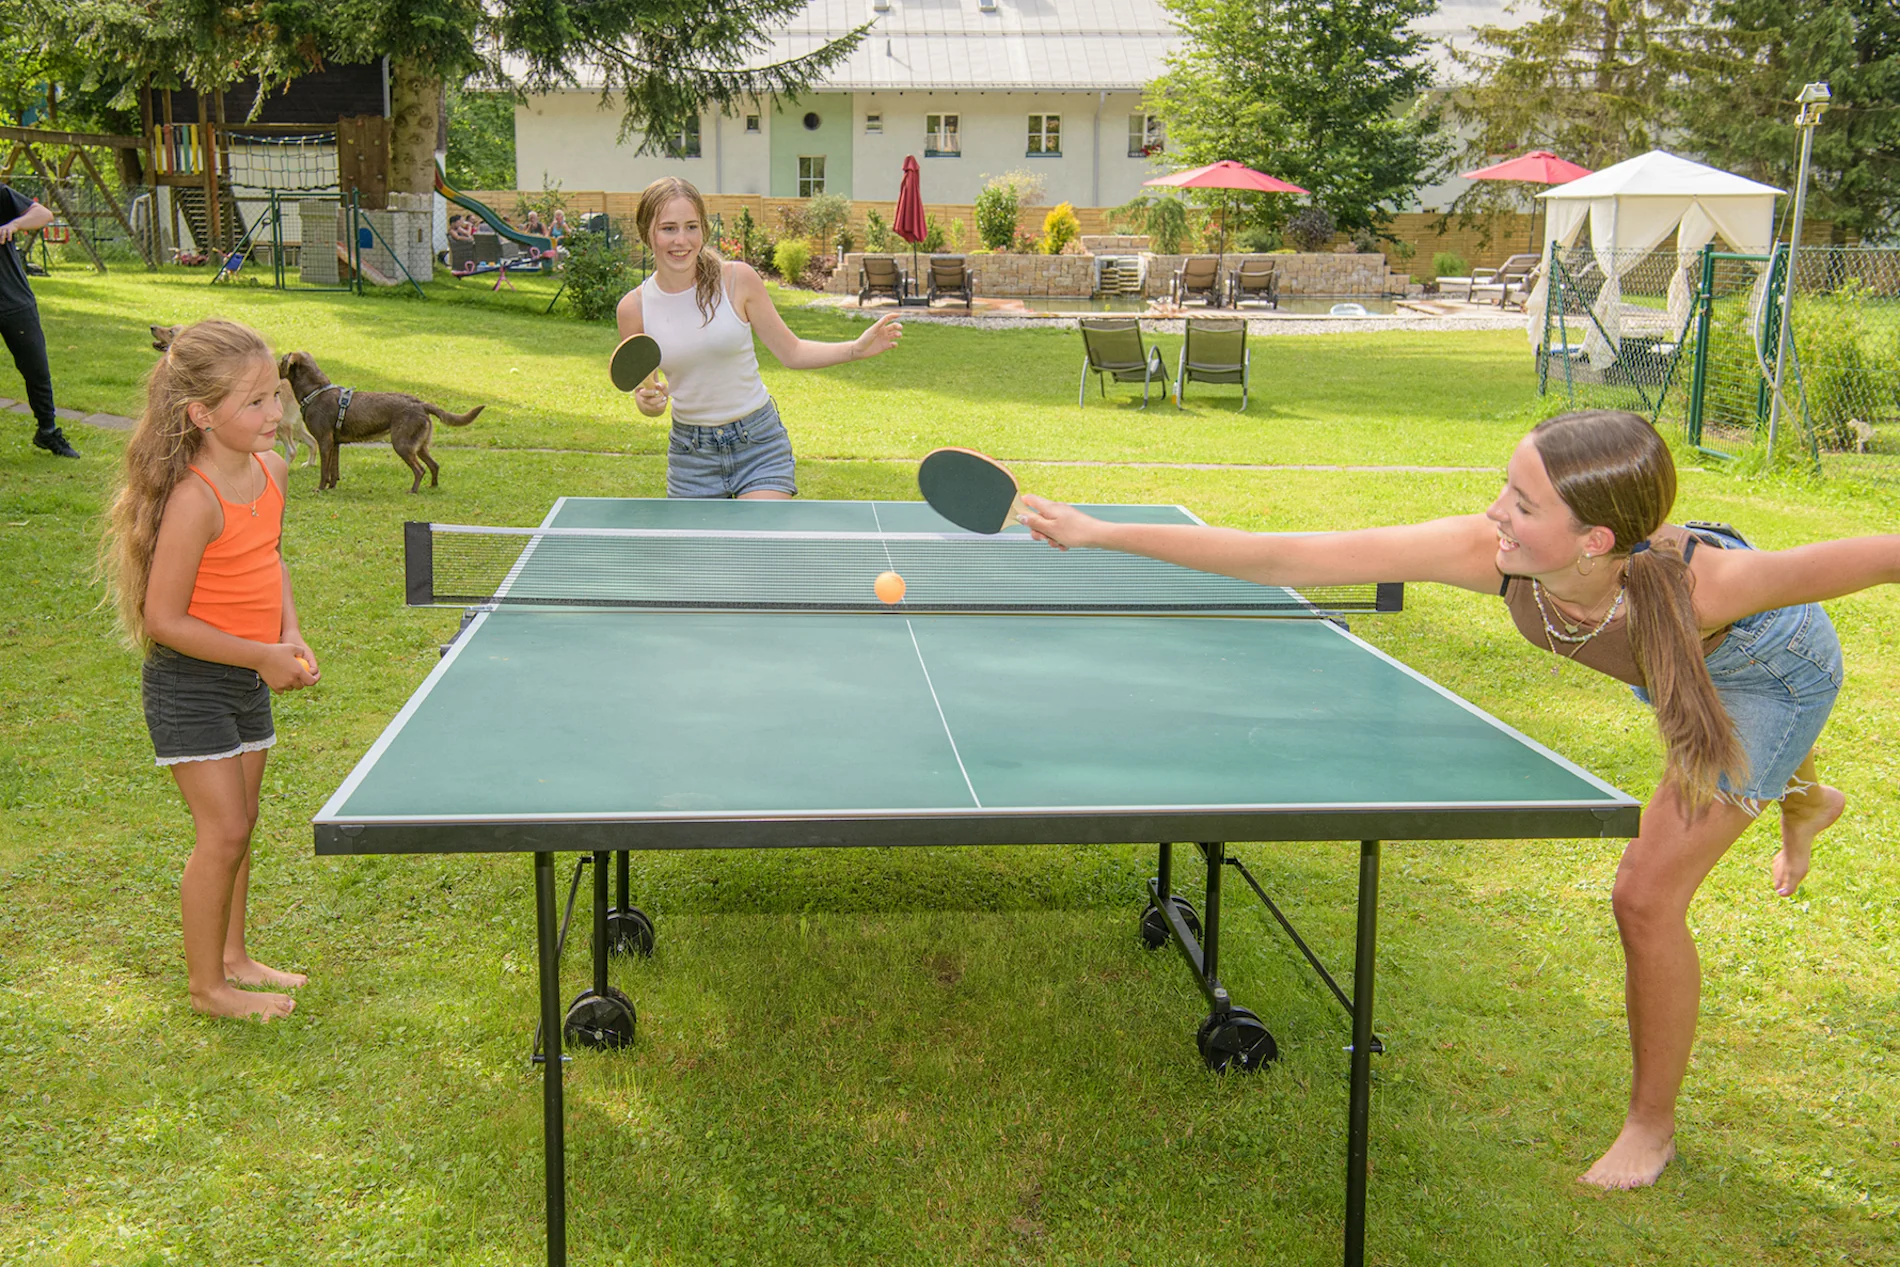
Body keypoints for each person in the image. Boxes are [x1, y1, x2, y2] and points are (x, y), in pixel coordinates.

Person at [1019, 409, 1899, 1190]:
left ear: (1593, 540)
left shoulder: (1718, 588)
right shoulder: (1499, 557)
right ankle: (1804, 798)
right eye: (1503, 490)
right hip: (1674, 662)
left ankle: (1650, 1125)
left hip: (1770, 669)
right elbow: (1291, 556)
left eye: (1521, 502)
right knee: (1693, 716)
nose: (1494, 514)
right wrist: (1101, 532)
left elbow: (1876, 557)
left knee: (1644, 895)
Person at [98, 318, 321, 1022]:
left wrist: (287, 631)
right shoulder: (194, 498)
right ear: (201, 414)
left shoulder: (272, 470)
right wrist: (260, 654)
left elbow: (269, 559)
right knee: (221, 832)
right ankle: (208, 988)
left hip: (246, 677)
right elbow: (165, 620)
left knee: (243, 822)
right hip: (188, 683)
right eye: (253, 403)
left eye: (274, 396)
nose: (274, 413)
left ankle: (235, 958)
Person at [617, 177, 902, 498]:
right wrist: (648, 403)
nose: (681, 239)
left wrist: (855, 349)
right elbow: (649, 392)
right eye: (668, 228)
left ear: (703, 231)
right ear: (647, 234)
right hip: (691, 457)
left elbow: (792, 352)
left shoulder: (738, 280)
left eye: (691, 227)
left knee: (758, 546)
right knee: (699, 551)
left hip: (758, 445)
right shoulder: (634, 308)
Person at [0, 182, 78, 458]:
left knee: (37, 370)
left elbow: (43, 214)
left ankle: (47, 432)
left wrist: (15, 225)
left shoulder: (1, 194)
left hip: (15, 301)